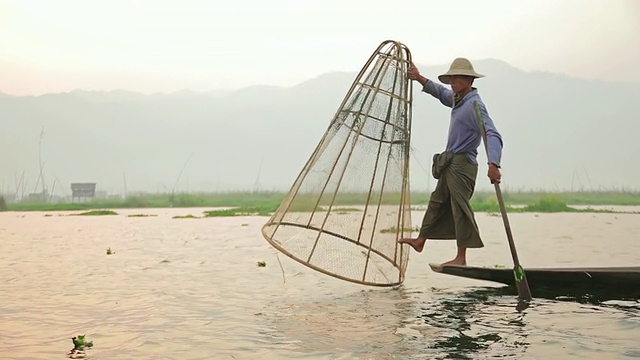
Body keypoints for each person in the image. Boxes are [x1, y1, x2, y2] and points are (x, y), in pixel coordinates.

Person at [399, 57, 503, 266]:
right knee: (437, 201)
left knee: (459, 206)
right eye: (451, 78)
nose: (452, 82)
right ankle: (421, 240)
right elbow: (441, 93)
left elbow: (492, 134)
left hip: (463, 164)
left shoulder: (475, 105)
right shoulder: (458, 99)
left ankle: (461, 257)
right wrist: (419, 77)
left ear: (468, 80)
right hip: (450, 162)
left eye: (456, 78)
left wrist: (494, 163)